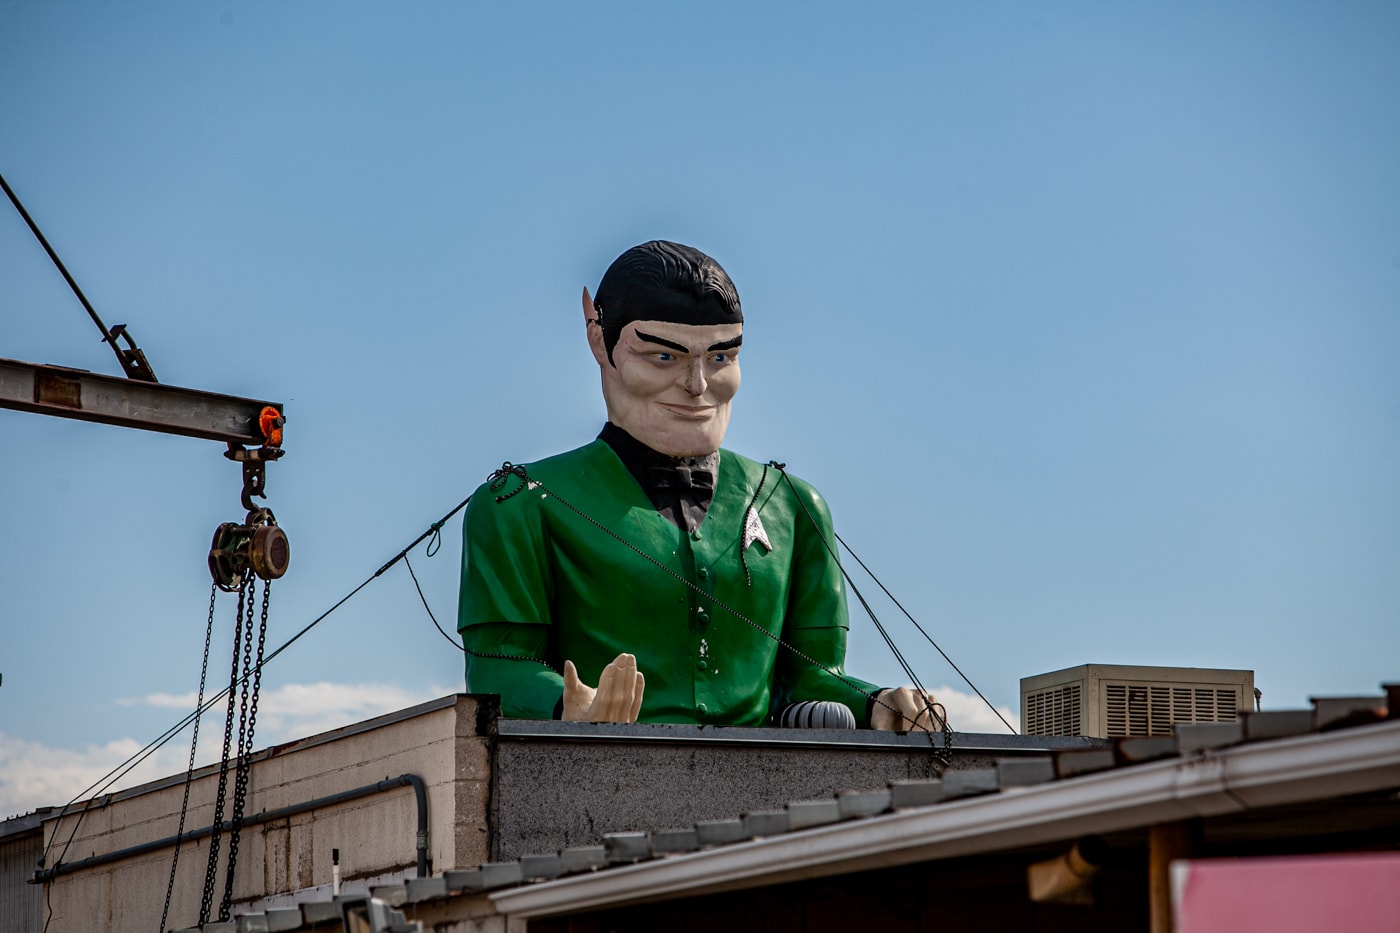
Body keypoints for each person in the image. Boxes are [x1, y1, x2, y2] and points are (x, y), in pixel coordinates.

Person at [457, 240, 937, 730]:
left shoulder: (794, 507)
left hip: (769, 788)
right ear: (599, 339)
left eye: (721, 358)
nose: (697, 385)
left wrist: (876, 702)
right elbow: (500, 668)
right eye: (663, 356)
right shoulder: (517, 504)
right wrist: (564, 704)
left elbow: (813, 677)